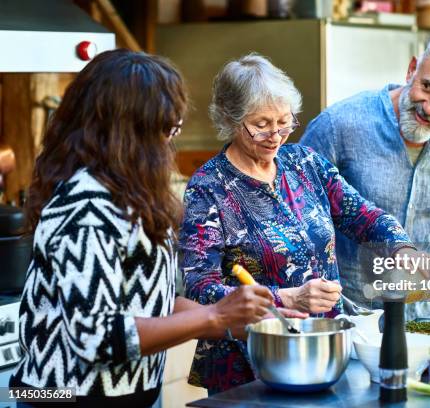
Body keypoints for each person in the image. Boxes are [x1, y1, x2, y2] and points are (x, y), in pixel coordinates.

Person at [10, 49, 279, 408]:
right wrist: (213, 316)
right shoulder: (87, 205)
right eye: (168, 126)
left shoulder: (128, 193)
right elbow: (98, 337)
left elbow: (151, 304)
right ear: (131, 130)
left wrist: (233, 319)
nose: (171, 139)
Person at [179, 53, 415, 394]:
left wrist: (401, 246)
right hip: (250, 364)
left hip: (323, 351)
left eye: (284, 122)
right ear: (231, 120)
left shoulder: (304, 163)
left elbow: (362, 215)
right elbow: (200, 288)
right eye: (261, 124)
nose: (276, 134)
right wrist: (285, 299)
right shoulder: (208, 187)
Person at [300, 33, 430, 312]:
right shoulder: (339, 125)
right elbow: (294, 212)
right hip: (354, 315)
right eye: (427, 86)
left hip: (422, 315)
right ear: (411, 69)